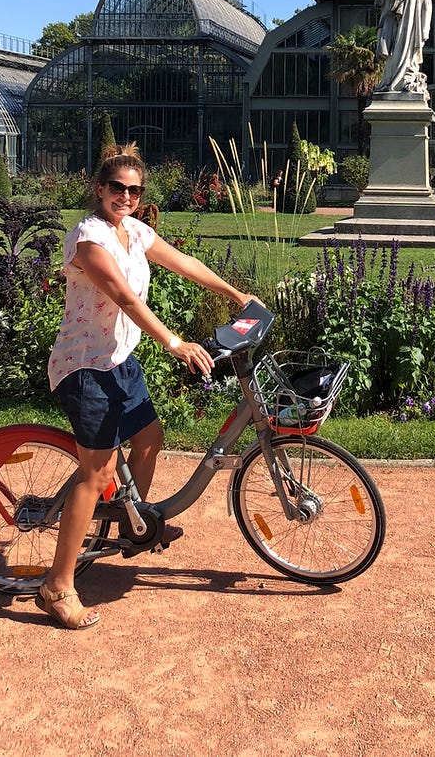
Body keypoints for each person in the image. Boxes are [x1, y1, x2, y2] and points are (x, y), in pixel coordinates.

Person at [37, 143, 254, 630]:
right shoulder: (90, 240)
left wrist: (236, 293)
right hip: (84, 367)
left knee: (150, 440)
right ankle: (57, 586)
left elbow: (184, 263)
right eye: (118, 188)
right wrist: (175, 342)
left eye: (135, 190)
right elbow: (124, 297)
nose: (127, 196)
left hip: (119, 361)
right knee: (95, 474)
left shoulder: (134, 231)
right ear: (99, 189)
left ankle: (129, 522)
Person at [375, 0, 433, 95]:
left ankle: (390, 81)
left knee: (391, 56)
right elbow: (427, 3)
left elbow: (378, 3)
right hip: (408, 28)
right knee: (406, 55)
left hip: (389, 25)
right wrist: (425, 30)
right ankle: (402, 79)